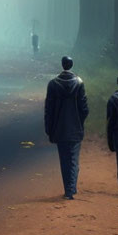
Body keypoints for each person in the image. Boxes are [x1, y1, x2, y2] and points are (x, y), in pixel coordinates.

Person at [44, 56, 89, 199]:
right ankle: (72, 188)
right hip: (75, 128)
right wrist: (79, 122)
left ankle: (68, 190)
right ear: (71, 65)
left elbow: (49, 110)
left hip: (59, 129)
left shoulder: (53, 84)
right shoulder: (79, 83)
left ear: (62, 65)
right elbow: (84, 108)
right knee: (74, 159)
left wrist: (49, 128)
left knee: (64, 160)